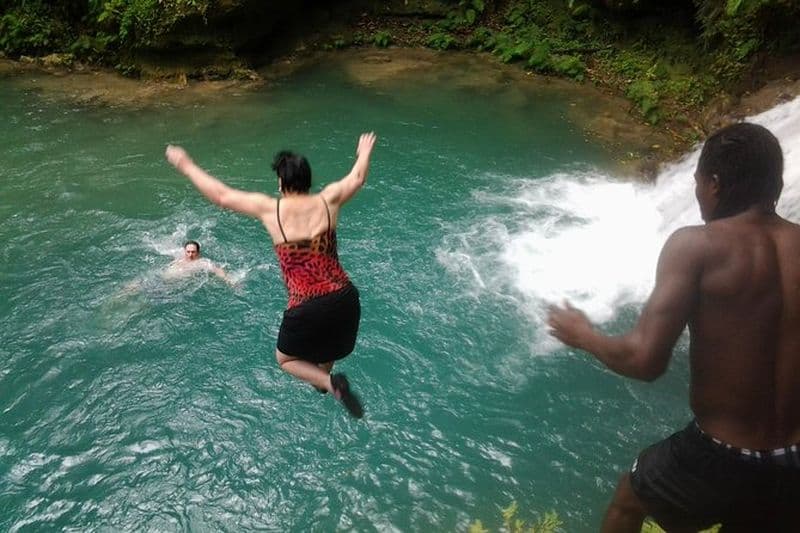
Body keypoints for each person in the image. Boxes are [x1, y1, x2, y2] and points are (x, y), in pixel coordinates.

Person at [547, 122, 799, 532]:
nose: (697, 195)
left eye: (698, 183)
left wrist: (584, 336)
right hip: (793, 463)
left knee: (629, 499)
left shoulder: (696, 245)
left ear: (714, 183)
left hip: (719, 456)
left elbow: (645, 361)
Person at [165, 133, 376, 418]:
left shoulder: (271, 210)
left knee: (286, 359)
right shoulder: (330, 200)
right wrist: (363, 151)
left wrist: (186, 164)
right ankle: (326, 381)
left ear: (281, 182)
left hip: (307, 304)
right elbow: (358, 177)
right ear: (308, 180)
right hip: (345, 298)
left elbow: (221, 196)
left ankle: (328, 382)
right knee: (327, 348)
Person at [163, 240, 234, 285]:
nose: (190, 254)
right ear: (184, 250)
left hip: (176, 283)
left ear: (198, 252)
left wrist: (227, 279)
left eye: (193, 252)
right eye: (188, 252)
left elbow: (217, 269)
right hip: (163, 278)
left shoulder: (202, 263)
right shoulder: (179, 254)